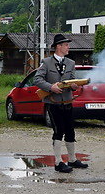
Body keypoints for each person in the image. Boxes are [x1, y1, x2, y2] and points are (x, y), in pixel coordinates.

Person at [33, 33, 88, 173]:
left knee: (70, 131)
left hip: (67, 102)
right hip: (53, 103)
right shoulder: (46, 62)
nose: (68, 47)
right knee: (59, 131)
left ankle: (72, 159)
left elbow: (72, 80)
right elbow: (37, 80)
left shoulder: (71, 63)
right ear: (59, 46)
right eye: (66, 45)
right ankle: (58, 162)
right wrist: (51, 87)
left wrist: (75, 86)